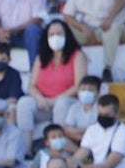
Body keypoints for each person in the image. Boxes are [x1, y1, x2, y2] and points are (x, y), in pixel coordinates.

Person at [15, 20, 86, 151]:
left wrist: (55, 100)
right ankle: (26, 150)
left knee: (61, 104)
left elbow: (79, 86)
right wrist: (40, 98)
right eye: (51, 34)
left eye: (59, 33)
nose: (55, 37)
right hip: (44, 104)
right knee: (24, 103)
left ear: (67, 35)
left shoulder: (77, 56)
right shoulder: (41, 58)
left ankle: (59, 148)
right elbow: (32, 86)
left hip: (68, 103)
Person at [62, 0, 125, 83]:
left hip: (112, 26)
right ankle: (69, 68)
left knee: (113, 27)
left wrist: (110, 18)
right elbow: (67, 15)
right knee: (63, 29)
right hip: (90, 30)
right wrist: (81, 27)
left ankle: (107, 69)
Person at [60, 75, 101, 145]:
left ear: (97, 93)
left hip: (95, 141)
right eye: (83, 90)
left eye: (90, 90)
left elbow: (98, 131)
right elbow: (67, 128)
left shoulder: (100, 108)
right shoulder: (74, 107)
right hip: (78, 139)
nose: (86, 92)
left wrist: (75, 131)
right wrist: (84, 130)